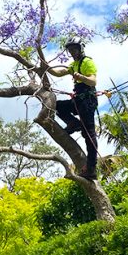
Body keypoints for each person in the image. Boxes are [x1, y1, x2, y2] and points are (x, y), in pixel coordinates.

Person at [47, 38, 98, 180]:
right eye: (70, 50)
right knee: (58, 106)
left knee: (89, 135)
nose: (72, 52)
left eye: (74, 49)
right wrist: (46, 67)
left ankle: (91, 168)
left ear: (80, 48)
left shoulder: (87, 61)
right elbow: (60, 72)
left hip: (87, 101)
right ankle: (74, 123)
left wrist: (81, 76)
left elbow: (93, 80)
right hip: (78, 100)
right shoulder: (74, 64)